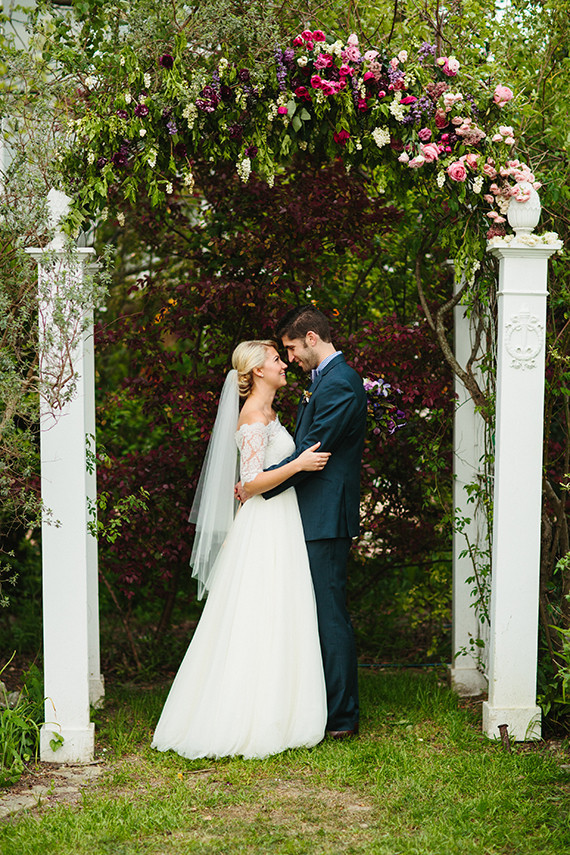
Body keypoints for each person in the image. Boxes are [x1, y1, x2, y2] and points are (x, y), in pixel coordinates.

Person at [152, 340, 330, 760]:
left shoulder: (270, 414)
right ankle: (245, 716)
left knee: (281, 610)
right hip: (266, 523)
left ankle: (283, 710)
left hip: (280, 519)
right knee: (259, 613)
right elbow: (249, 483)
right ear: (258, 371)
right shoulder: (251, 417)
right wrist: (298, 464)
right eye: (275, 359)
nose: (284, 364)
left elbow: (250, 484)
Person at [255, 307, 367, 739]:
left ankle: (341, 720)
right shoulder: (324, 381)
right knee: (314, 612)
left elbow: (312, 455)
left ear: (312, 338)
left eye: (291, 348)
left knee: (329, 615)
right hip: (309, 514)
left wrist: (258, 488)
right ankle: (319, 708)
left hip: (325, 517)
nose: (291, 358)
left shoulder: (341, 384)